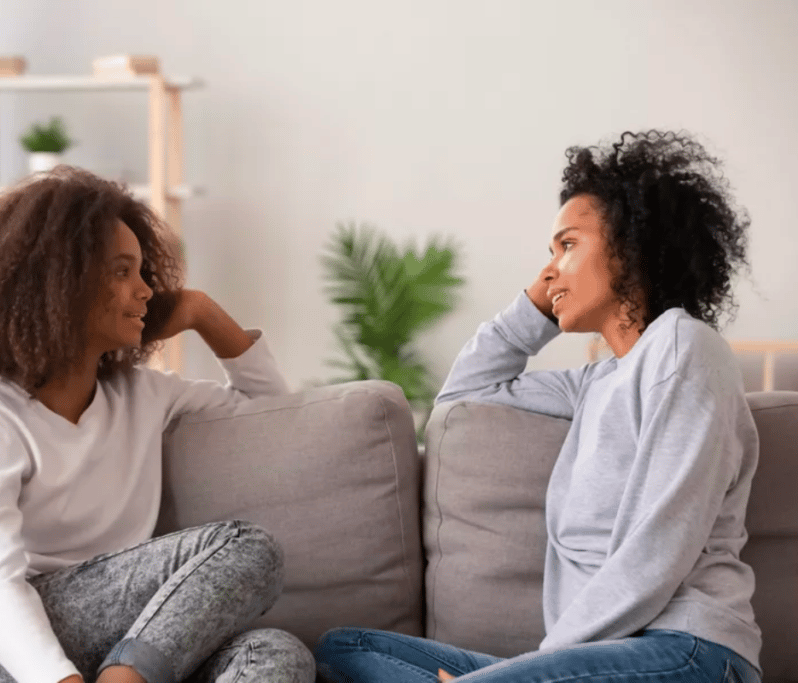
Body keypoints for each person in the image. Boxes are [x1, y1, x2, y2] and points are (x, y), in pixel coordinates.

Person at [314, 130, 762, 683]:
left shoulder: (684, 346)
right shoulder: (594, 383)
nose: (550, 270)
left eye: (567, 245)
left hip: (687, 651)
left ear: (631, 248)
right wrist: (536, 306)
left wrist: (537, 668)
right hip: (585, 659)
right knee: (345, 650)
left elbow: (659, 548)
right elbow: (463, 398)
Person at [0, 166, 315, 683]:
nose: (146, 290)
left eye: (144, 272)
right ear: (58, 284)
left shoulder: (145, 394)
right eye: (122, 272)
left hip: (100, 637)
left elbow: (274, 414)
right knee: (249, 548)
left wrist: (201, 313)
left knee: (274, 653)